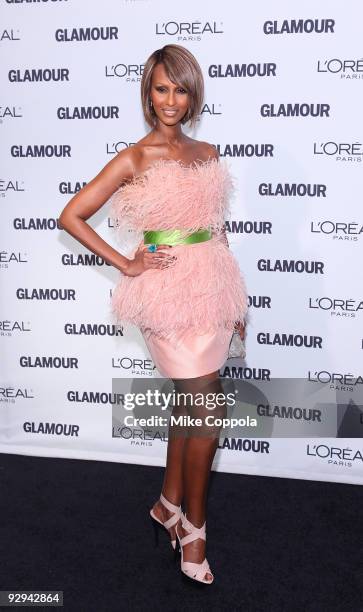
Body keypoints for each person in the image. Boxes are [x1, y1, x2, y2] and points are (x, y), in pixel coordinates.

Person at [59, 44, 248, 585]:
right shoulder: (136, 157)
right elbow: (72, 214)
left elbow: (218, 229)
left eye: (181, 89)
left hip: (214, 283)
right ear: (148, 92)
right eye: (162, 88)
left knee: (194, 400)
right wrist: (127, 262)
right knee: (204, 406)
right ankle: (194, 528)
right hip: (165, 291)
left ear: (193, 96)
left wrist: (236, 298)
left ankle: (168, 503)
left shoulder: (207, 151)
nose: (171, 100)